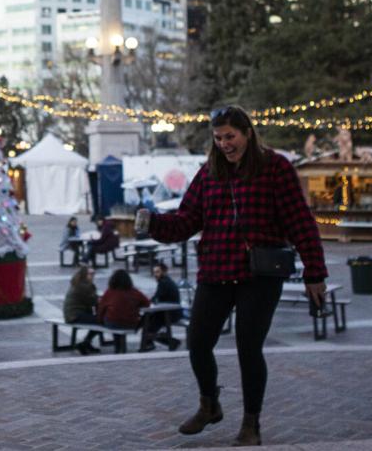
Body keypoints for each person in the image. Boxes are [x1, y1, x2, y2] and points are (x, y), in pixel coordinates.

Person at [136, 106, 328, 446]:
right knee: (197, 343)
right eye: (218, 137)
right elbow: (185, 221)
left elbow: (300, 221)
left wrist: (315, 271)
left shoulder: (275, 167)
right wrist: (152, 223)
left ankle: (251, 423)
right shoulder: (209, 173)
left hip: (261, 273)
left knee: (248, 348)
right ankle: (209, 404)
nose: (225, 144)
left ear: (247, 133)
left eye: (230, 136)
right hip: (216, 269)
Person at [141, 261, 183, 351]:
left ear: (164, 272)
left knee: (148, 324)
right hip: (169, 312)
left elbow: (156, 298)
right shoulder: (166, 281)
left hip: (169, 314)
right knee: (148, 323)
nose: (155, 274)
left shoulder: (164, 282)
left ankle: (149, 344)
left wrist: (149, 302)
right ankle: (169, 342)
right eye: (154, 272)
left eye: (158, 272)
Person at [97, 269, 150, 337]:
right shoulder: (134, 292)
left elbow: (101, 307)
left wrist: (100, 320)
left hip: (112, 323)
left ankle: (118, 345)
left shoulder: (110, 292)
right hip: (130, 324)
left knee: (112, 317)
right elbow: (147, 302)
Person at [62, 266, 102, 355]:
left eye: (93, 274)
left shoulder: (79, 283)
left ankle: (86, 343)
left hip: (72, 314)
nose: (93, 276)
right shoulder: (84, 286)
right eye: (90, 274)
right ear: (84, 275)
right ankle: (85, 343)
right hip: (75, 315)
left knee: (99, 319)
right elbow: (93, 301)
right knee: (102, 320)